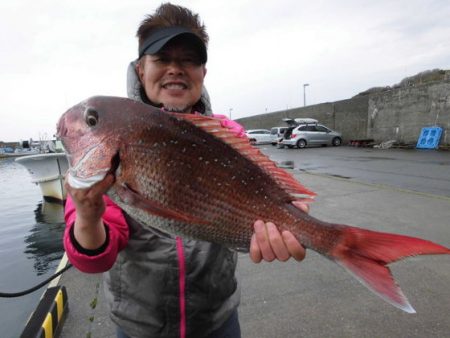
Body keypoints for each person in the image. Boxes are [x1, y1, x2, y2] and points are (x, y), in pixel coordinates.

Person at [64, 3, 308, 338]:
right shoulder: (110, 152)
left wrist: (295, 221)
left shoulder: (228, 136)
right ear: (140, 70)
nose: (175, 69)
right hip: (140, 328)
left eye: (189, 60)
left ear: (203, 72)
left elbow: (264, 196)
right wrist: (87, 216)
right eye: (162, 59)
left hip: (217, 322)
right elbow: (93, 261)